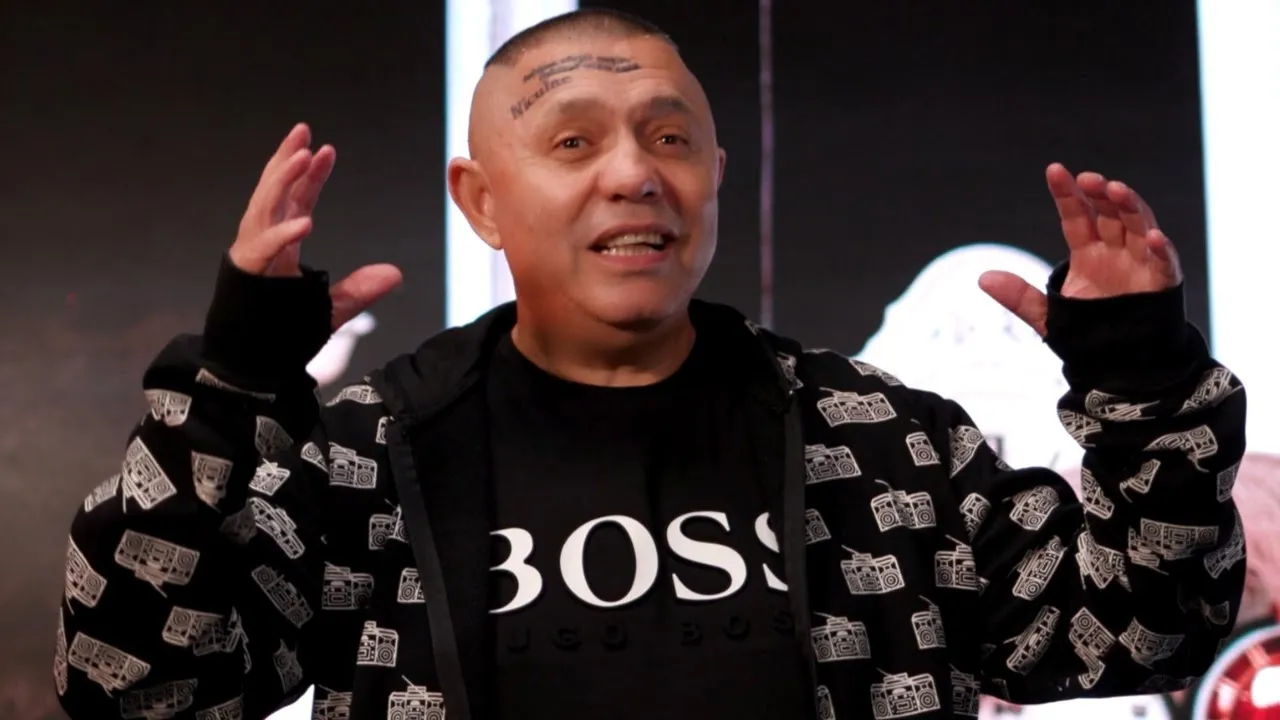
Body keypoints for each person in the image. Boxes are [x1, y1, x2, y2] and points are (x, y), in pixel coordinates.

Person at [54, 8, 1247, 720]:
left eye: (668, 137)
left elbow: (1139, 631)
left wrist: (1144, 390)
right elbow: (134, 688)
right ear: (479, 199)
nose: (632, 173)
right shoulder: (368, 457)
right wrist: (226, 397)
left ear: (711, 175)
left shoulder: (882, 443)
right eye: (572, 141)